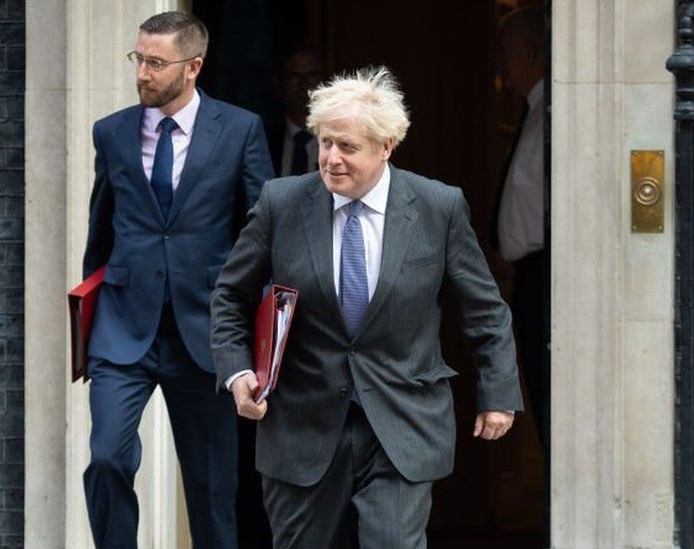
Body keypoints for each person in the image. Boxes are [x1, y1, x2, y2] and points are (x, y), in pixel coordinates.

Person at [211, 66, 523, 548]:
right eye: (325, 143)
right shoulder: (283, 202)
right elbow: (230, 295)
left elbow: (485, 309)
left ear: (387, 146)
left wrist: (498, 392)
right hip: (303, 426)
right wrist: (237, 373)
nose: (331, 159)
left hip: (402, 419)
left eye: (348, 147)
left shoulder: (437, 208)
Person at [81, 11, 274, 549]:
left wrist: (258, 344)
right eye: (137, 58)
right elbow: (99, 236)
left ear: (193, 67)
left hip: (207, 333)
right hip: (123, 331)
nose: (141, 72)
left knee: (212, 487)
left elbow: (264, 238)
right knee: (106, 459)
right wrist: (87, 325)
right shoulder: (112, 133)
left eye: (155, 63)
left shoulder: (240, 130)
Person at [496, 5, 548, 453]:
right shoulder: (533, 110)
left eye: (506, 54)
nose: (501, 68)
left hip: (548, 277)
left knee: (550, 402)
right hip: (529, 278)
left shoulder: (554, 114)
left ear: (531, 52)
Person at [265, 44, 327, 177]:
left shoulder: (341, 138)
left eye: (312, 76)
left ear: (325, 82)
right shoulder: (263, 140)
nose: (303, 84)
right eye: (294, 76)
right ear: (279, 83)